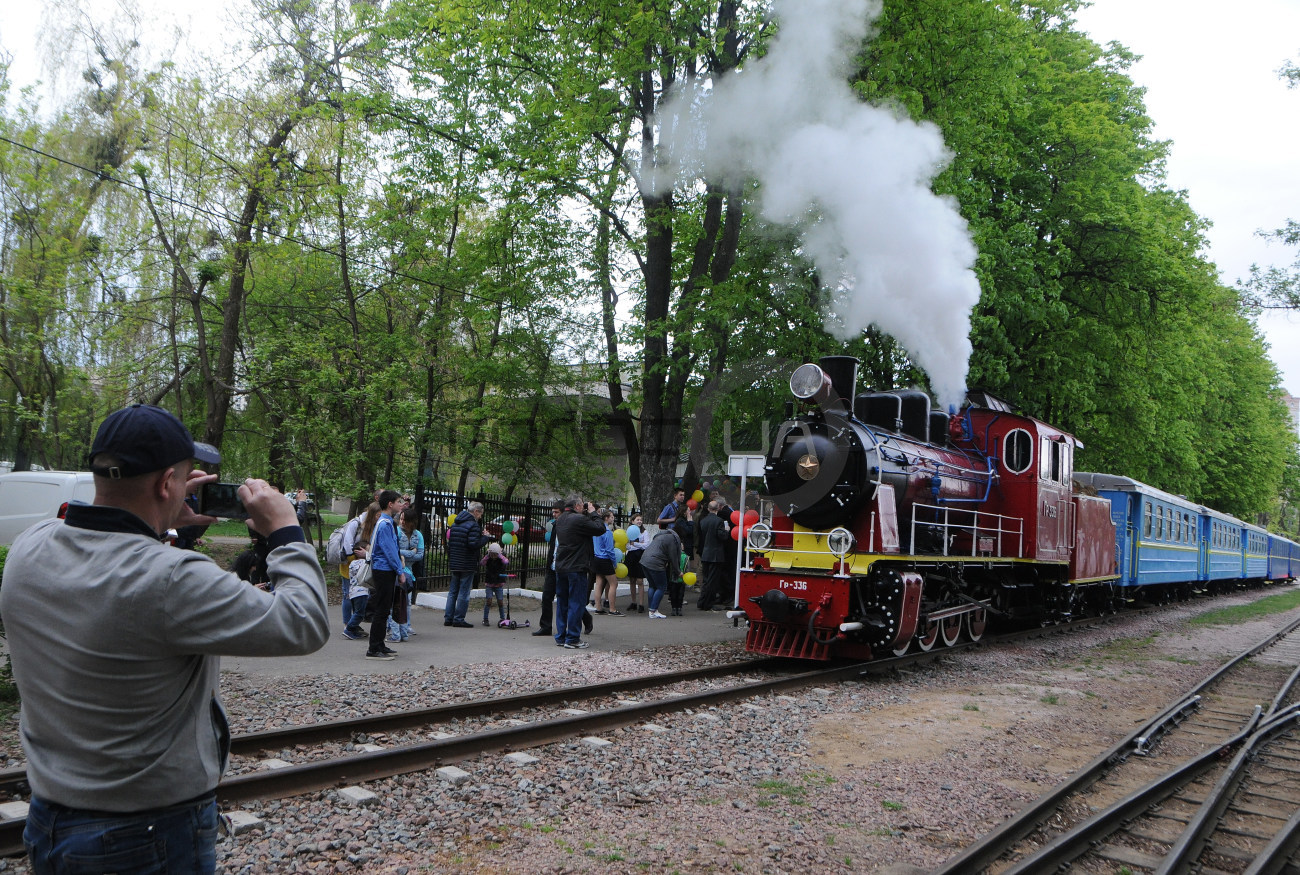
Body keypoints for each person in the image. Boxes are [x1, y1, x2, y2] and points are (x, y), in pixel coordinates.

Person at [0, 403, 329, 875]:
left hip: (51, 819)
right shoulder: (171, 577)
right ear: (165, 484)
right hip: (145, 835)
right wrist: (286, 533)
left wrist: (166, 526)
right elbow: (304, 622)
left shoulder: (31, 546)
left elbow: (112, 551)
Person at [552, 496, 607, 649]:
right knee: (576, 602)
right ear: (577, 506)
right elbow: (600, 528)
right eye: (582, 505)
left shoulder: (561, 519)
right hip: (576, 567)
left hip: (561, 566)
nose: (584, 507)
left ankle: (561, 637)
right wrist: (593, 512)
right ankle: (573, 638)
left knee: (562, 602)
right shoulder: (578, 519)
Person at [365, 491, 404, 660]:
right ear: (390, 504)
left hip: (384, 569)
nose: (400, 504)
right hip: (384, 570)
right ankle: (374, 648)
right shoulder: (385, 524)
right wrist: (400, 571)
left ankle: (379, 644)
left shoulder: (386, 522)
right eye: (398, 501)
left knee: (384, 609)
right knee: (381, 610)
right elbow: (390, 551)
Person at [446, 501, 492, 628]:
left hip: (455, 562)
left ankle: (448, 618)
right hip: (467, 563)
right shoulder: (473, 525)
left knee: (453, 591)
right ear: (476, 511)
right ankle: (459, 618)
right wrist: (485, 538)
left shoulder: (455, 523)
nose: (480, 517)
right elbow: (473, 544)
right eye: (480, 514)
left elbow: (450, 544)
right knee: (464, 592)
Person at [532, 499, 567, 637]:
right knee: (547, 596)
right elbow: (552, 547)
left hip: (564, 568)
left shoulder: (567, 526)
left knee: (567, 598)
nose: (554, 514)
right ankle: (545, 626)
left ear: (563, 513)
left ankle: (586, 618)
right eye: (552, 512)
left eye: (556, 512)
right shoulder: (555, 526)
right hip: (552, 567)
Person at [389, 507, 424, 642]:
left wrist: (406, 554)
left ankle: (405, 626)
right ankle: (393, 628)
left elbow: (420, 555)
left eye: (405, 520)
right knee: (394, 601)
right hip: (396, 570)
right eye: (401, 519)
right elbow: (394, 551)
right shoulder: (396, 532)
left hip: (408, 572)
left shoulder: (417, 535)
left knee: (407, 601)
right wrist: (410, 553)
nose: (402, 522)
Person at [641, 524, 684, 619]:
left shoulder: (661, 535)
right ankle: (653, 611)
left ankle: (651, 609)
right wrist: (678, 571)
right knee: (661, 587)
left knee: (652, 586)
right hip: (656, 563)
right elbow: (674, 557)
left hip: (644, 560)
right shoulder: (673, 539)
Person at [696, 499, 728, 610]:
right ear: (718, 508)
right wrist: (727, 531)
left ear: (709, 509)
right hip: (716, 554)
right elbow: (722, 536)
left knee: (705, 579)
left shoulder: (703, 521)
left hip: (706, 553)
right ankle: (708, 603)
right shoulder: (719, 521)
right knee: (712, 580)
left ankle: (702, 601)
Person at [342, 538, 373, 640]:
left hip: (353, 592)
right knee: (360, 613)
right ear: (360, 552)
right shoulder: (363, 563)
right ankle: (349, 629)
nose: (369, 552)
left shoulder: (353, 563)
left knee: (357, 611)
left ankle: (354, 629)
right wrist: (368, 556)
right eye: (367, 550)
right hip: (361, 592)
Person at [592, 510, 621, 615]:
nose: (613, 519)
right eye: (611, 517)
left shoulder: (596, 530)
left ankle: (598, 607)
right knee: (614, 583)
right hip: (605, 559)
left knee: (599, 583)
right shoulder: (607, 531)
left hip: (596, 558)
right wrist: (614, 563)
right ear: (606, 518)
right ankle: (612, 609)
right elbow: (610, 550)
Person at [667, 507, 693, 616]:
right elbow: (689, 532)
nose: (690, 512)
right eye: (688, 510)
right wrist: (690, 522)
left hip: (681, 575)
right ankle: (675, 607)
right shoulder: (681, 522)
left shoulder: (685, 556)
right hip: (675, 575)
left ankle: (678, 608)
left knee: (680, 592)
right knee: (674, 591)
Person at [624, 511, 649, 613]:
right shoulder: (629, 531)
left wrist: (635, 544)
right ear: (632, 521)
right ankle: (633, 602)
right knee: (632, 580)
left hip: (640, 556)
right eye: (637, 520)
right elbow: (627, 545)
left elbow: (646, 545)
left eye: (641, 520)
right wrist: (635, 544)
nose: (640, 521)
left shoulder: (644, 532)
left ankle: (641, 604)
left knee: (640, 580)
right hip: (631, 556)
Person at [481, 542, 509, 625]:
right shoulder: (488, 558)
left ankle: (502, 618)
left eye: (495, 554)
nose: (493, 556)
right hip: (489, 583)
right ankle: (485, 619)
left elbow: (506, 562)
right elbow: (482, 563)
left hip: (498, 583)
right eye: (491, 554)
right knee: (488, 601)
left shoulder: (501, 559)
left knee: (500, 601)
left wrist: (500, 555)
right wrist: (487, 556)